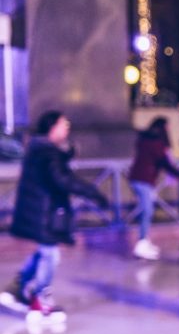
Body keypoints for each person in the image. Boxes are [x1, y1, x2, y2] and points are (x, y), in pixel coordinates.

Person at [1, 111, 108, 321]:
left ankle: (17, 288)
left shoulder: (41, 150)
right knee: (51, 255)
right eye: (63, 124)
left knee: (44, 252)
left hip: (39, 210)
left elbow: (54, 166)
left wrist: (66, 154)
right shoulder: (47, 153)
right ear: (52, 127)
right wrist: (92, 192)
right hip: (44, 212)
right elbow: (61, 179)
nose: (67, 128)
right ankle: (39, 300)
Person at [127, 117, 179, 260]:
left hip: (141, 179)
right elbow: (164, 162)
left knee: (147, 209)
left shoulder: (146, 141)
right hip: (142, 180)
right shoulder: (155, 144)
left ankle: (144, 240)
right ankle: (142, 243)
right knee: (147, 210)